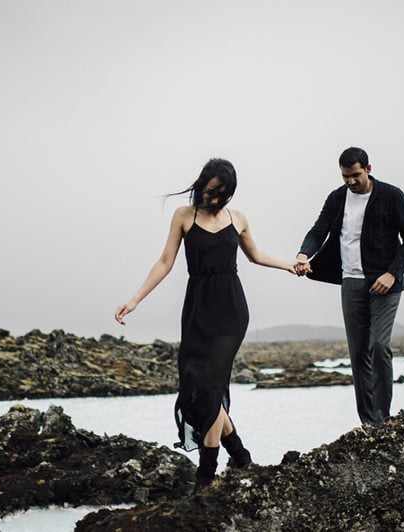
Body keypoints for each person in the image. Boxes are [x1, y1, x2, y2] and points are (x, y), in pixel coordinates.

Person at [115, 158, 295, 492]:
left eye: (219, 194)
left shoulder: (237, 219)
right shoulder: (184, 216)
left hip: (230, 310)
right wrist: (136, 299)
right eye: (208, 191)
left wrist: (289, 265)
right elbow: (165, 261)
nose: (211, 199)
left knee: (212, 388)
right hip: (197, 310)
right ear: (200, 184)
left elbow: (255, 255)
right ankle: (241, 458)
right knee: (196, 386)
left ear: (228, 195)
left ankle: (206, 477)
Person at [294, 147, 404, 426]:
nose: (350, 182)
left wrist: (392, 274)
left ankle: (383, 418)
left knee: (378, 346)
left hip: (385, 283)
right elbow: (319, 230)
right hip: (351, 281)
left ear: (368, 169)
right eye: (345, 177)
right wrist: (304, 253)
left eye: (355, 175)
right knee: (358, 352)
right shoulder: (337, 198)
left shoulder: (392, 195)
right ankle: (368, 423)